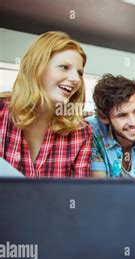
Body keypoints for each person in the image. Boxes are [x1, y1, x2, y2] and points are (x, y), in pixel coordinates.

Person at [0, 31, 92, 177]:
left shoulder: (80, 132)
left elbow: (78, 194)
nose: (76, 79)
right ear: (37, 67)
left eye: (79, 73)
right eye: (64, 67)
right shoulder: (2, 113)